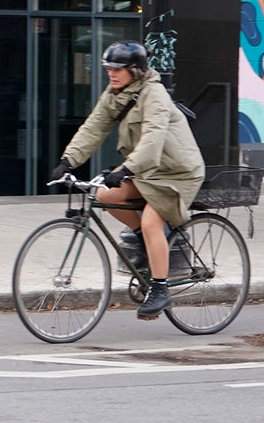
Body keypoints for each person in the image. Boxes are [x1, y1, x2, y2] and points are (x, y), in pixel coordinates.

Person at [51, 41, 205, 320]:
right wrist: (68, 160)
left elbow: (153, 138)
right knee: (104, 195)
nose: (111, 73)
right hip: (148, 171)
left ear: (135, 70)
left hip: (177, 172)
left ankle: (160, 289)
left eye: (118, 69)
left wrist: (125, 169)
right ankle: (151, 247)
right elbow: (94, 125)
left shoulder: (154, 93)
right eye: (109, 68)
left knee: (150, 221)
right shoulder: (115, 93)